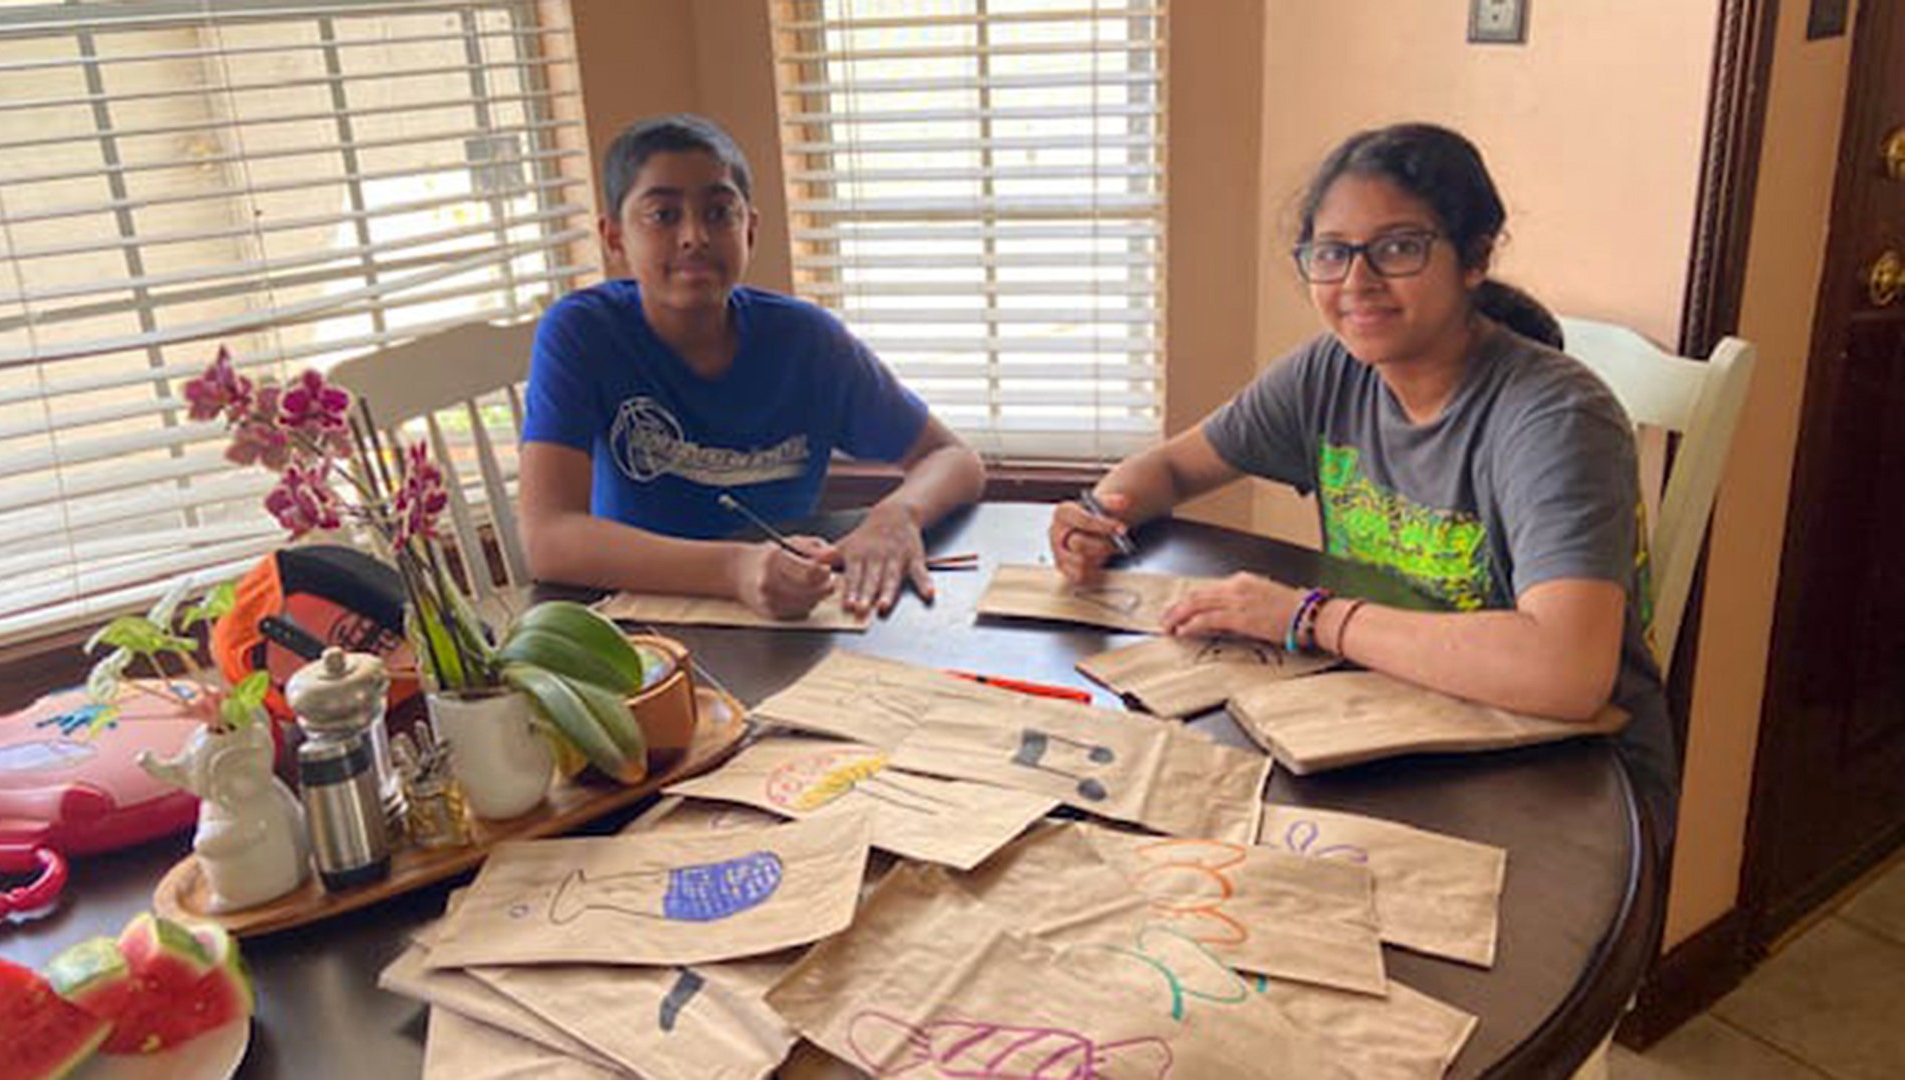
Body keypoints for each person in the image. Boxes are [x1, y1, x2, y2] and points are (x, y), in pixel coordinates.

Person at [1049, 122, 1676, 839]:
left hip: (1573, 783)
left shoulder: (1556, 416)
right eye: (1331, 253)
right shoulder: (1332, 371)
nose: (1356, 282)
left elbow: (1566, 672)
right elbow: (1171, 466)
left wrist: (1309, 617)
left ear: (1475, 257)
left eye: (1399, 248)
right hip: (1398, 722)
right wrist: (1103, 510)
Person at [521, 114, 985, 618]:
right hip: (643, 616)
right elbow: (549, 540)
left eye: (719, 213)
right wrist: (734, 570)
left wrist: (897, 514)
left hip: (791, 613)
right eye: (663, 215)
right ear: (614, 239)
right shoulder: (583, 332)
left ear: (751, 230)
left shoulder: (807, 341)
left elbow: (955, 460)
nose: (694, 235)